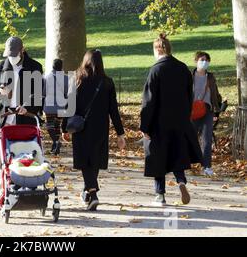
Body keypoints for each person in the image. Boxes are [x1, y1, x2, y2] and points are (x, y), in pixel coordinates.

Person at [140, 33, 202, 206]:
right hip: (179, 120)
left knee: (158, 157)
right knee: (177, 154)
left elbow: (149, 101)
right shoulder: (183, 68)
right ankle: (181, 181)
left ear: (157, 50)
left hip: (159, 122)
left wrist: (145, 125)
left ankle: (160, 194)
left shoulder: (156, 70)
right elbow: (189, 95)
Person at [62, 50, 126, 211]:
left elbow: (68, 107)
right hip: (100, 128)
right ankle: (87, 192)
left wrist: (64, 128)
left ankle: (93, 193)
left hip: (81, 127)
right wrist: (120, 133)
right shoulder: (107, 82)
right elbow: (114, 111)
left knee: (85, 161)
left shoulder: (77, 79)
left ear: (85, 61)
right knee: (94, 161)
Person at [0, 36, 44, 207]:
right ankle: (3, 193)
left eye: (15, 54)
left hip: (25, 118)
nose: (12, 58)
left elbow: (38, 94)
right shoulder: (0, 66)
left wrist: (28, 108)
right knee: (3, 157)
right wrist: (1, 92)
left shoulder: (34, 67)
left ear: (22, 50)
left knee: (25, 155)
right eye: (9, 55)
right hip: (6, 118)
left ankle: (26, 191)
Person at [192, 51, 222, 176]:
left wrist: (217, 110)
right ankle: (183, 163)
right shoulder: (189, 76)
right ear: (196, 61)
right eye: (201, 59)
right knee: (189, 138)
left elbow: (215, 93)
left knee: (207, 139)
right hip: (192, 111)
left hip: (207, 110)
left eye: (206, 60)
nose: (204, 62)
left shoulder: (210, 77)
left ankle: (207, 166)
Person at [43, 59, 68, 155]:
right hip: (61, 106)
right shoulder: (66, 78)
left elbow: (43, 92)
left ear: (52, 67)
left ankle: (56, 141)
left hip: (49, 107)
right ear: (61, 67)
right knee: (57, 125)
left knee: (49, 125)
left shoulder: (46, 78)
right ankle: (55, 144)